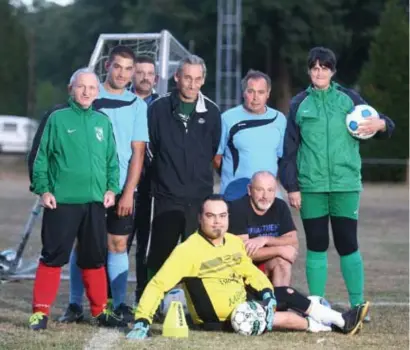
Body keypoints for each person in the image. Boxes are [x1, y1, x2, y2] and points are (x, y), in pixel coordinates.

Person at [126, 195, 369, 340]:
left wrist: (265, 291)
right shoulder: (188, 250)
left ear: (228, 218)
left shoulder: (232, 241)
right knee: (281, 314)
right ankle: (333, 321)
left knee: (280, 293)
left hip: (244, 302)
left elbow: (249, 271)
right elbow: (158, 284)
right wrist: (142, 321)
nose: (217, 221)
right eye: (210, 216)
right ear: (200, 218)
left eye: (222, 216)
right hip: (218, 319)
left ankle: (332, 321)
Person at [279, 47, 395, 321]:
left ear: (333, 71)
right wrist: (292, 187)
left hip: (345, 185)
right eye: (315, 68)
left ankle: (358, 305)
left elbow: (385, 125)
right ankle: (317, 307)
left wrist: (380, 125)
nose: (319, 72)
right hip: (311, 187)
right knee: (317, 245)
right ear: (309, 71)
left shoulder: (350, 99)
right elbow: (289, 151)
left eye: (325, 67)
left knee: (347, 244)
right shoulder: (298, 104)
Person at [27, 68, 125, 330]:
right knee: (53, 256)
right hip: (62, 202)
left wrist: (111, 189)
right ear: (72, 88)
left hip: (94, 203)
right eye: (81, 87)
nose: (86, 92)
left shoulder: (102, 122)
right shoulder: (57, 118)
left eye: (92, 88)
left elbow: (112, 162)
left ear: (97, 92)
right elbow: (40, 158)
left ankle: (100, 310)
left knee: (94, 257)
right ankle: (40, 312)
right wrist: (44, 189)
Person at [60, 46, 149, 323]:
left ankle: (119, 303)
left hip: (121, 188)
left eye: (128, 69)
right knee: (81, 245)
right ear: (107, 66)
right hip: (87, 187)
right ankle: (75, 304)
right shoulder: (89, 96)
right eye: (117, 67)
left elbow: (138, 152)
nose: (122, 73)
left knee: (118, 245)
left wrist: (129, 192)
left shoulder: (137, 105)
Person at [145, 55, 221, 281]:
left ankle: (194, 307)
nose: (192, 84)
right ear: (176, 77)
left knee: (197, 256)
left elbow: (213, 150)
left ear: (203, 80)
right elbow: (149, 148)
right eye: (187, 77)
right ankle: (152, 302)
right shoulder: (158, 108)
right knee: (159, 253)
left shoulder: (212, 112)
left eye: (197, 79)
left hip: (199, 197)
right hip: (165, 196)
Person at [213, 70, 287, 202]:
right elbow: (216, 158)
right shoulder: (227, 119)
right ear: (243, 93)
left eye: (261, 92)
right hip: (235, 195)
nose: (255, 97)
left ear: (268, 94)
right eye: (250, 91)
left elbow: (281, 157)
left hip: (269, 197)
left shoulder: (279, 119)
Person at [126, 55, 159, 304]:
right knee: (117, 243)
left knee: (146, 247)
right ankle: (108, 299)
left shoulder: (162, 106)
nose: (145, 77)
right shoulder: (122, 102)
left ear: (156, 78)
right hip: (121, 184)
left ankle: (143, 298)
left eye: (150, 73)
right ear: (132, 75)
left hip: (151, 188)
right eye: (140, 72)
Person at [228, 171, 298, 286]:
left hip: (266, 263)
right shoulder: (237, 209)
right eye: (260, 190)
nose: (265, 196)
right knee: (281, 257)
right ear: (250, 190)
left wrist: (265, 239)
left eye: (270, 190)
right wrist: (279, 249)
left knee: (282, 263)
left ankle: (280, 302)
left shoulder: (280, 206)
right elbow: (244, 253)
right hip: (241, 268)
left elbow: (293, 242)